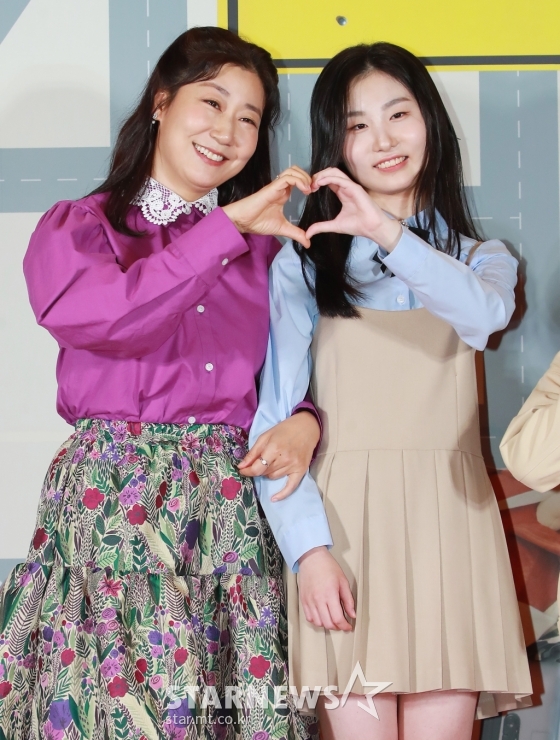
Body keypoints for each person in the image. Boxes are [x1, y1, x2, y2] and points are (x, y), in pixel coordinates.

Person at [0, 27, 323, 740]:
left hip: (227, 507)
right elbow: (104, 318)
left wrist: (305, 419)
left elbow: (289, 374)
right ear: (161, 101)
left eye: (249, 118)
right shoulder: (80, 228)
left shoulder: (267, 250)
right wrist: (225, 229)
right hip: (115, 501)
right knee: (110, 711)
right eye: (212, 102)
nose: (228, 132)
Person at [249, 42, 532, 740]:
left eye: (398, 114)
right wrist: (308, 553)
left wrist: (383, 228)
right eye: (357, 124)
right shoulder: (302, 266)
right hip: (342, 536)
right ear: (335, 144)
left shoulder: (481, 259)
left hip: (452, 528)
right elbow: (274, 421)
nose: (382, 139)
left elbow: (483, 318)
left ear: (430, 122)